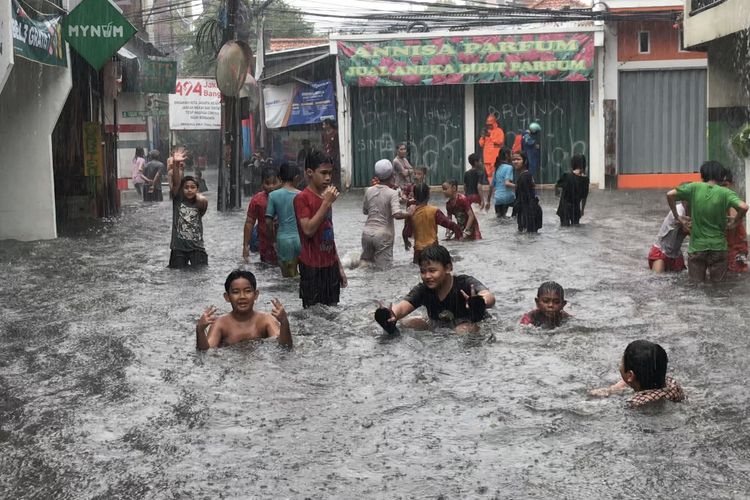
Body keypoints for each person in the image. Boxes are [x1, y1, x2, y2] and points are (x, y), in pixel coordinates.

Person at [373, 244, 495, 334]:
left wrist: (479, 302)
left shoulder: (464, 283)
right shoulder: (423, 290)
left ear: (448, 268)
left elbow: (489, 297)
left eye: (432, 271)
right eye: (423, 271)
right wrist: (391, 314)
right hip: (441, 325)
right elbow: (402, 307)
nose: (427, 276)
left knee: (461, 330)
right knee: (408, 323)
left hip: (471, 324)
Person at [667, 160, 749, 282]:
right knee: (719, 288)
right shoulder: (725, 192)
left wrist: (677, 216)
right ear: (721, 176)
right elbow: (744, 207)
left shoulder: (694, 187)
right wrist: (736, 222)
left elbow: (670, 194)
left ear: (702, 175)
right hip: (719, 248)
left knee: (696, 287)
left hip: (697, 248)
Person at [294, 151, 347, 308]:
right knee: (313, 314)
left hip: (330, 265)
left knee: (333, 312)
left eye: (330, 173)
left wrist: (339, 268)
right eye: (323, 173)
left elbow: (329, 235)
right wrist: (326, 203)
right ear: (310, 172)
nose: (328, 178)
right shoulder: (302, 198)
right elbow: (308, 230)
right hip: (311, 267)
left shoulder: (325, 197)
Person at [196, 269, 292, 349]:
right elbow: (207, 353)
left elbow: (283, 348)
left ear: (256, 295)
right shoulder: (220, 323)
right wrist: (200, 330)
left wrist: (284, 322)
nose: (242, 296)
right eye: (236, 292)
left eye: (248, 291)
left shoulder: (265, 320)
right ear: (227, 297)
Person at [589, 340, 685, 409]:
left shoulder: (635, 404)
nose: (620, 364)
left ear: (630, 375)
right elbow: (635, 378)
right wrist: (612, 389)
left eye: (621, 362)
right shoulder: (673, 385)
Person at [361, 159, 408, 269]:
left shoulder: (368, 190)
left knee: (366, 267)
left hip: (367, 234)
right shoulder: (393, 193)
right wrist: (410, 214)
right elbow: (397, 214)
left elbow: (365, 211)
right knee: (384, 272)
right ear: (392, 175)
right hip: (383, 236)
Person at [403, 183, 464, 263]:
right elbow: (450, 224)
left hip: (418, 251)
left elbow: (406, 232)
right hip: (433, 249)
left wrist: (406, 242)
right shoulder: (434, 211)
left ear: (414, 196)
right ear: (428, 196)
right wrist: (459, 235)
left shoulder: (411, 213)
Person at [168, 148, 208, 268]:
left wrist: (201, 198)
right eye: (186, 187)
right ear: (182, 189)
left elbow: (203, 207)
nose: (189, 190)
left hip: (197, 247)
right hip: (178, 248)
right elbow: (176, 184)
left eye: (192, 187)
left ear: (197, 189)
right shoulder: (178, 200)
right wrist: (175, 164)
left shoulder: (200, 202)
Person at [266, 163, 302, 278]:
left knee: (287, 279)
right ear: (296, 178)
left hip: (283, 240)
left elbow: (268, 221)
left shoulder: (273, 196)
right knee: (302, 278)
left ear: (280, 178)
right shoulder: (302, 195)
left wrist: (272, 240)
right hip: (301, 240)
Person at [243, 166, 281, 265]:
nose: (271, 187)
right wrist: (245, 246)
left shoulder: (287, 198)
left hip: (284, 243)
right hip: (265, 246)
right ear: (262, 184)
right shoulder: (257, 200)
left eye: (274, 182)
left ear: (281, 181)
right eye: (267, 183)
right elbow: (249, 222)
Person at [648, 202, 689, 273]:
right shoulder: (678, 211)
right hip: (661, 252)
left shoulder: (693, 212)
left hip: (676, 255)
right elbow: (688, 229)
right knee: (657, 280)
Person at [722, 169, 748, 273]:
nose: (722, 188)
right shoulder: (727, 197)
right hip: (736, 247)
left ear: (731, 184)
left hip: (735, 247)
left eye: (725, 185)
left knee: (735, 273)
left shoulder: (730, 198)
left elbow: (732, 221)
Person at [555, 154, 589, 226]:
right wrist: (582, 210)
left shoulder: (566, 176)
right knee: (576, 229)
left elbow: (557, 186)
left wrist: (558, 194)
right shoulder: (585, 180)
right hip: (576, 209)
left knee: (564, 230)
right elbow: (584, 197)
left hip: (564, 208)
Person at [514, 151, 542, 233]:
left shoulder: (524, 177)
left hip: (528, 213)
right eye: (514, 159)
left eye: (518, 159)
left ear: (525, 161)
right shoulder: (526, 175)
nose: (515, 161)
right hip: (529, 212)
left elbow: (527, 198)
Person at [478, 114, 505, 186]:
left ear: (494, 123)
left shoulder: (499, 131)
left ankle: (497, 185)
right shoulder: (486, 132)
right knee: (489, 173)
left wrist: (490, 136)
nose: (489, 126)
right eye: (488, 124)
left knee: (496, 171)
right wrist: (483, 137)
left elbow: (500, 141)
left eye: (490, 124)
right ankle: (492, 185)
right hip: (487, 157)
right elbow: (481, 144)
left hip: (495, 156)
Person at [489, 148, 516, 218]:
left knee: (499, 220)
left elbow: (491, 186)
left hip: (498, 199)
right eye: (511, 154)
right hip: (508, 198)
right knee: (513, 218)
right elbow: (507, 183)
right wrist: (519, 186)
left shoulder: (497, 167)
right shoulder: (509, 167)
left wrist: (488, 201)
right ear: (507, 155)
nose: (512, 156)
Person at [321, 119, 341, 189]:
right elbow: (323, 144)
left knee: (334, 170)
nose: (323, 126)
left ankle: (335, 184)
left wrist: (336, 155)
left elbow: (337, 145)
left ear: (328, 125)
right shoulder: (323, 134)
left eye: (324, 124)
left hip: (334, 155)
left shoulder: (335, 133)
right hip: (326, 156)